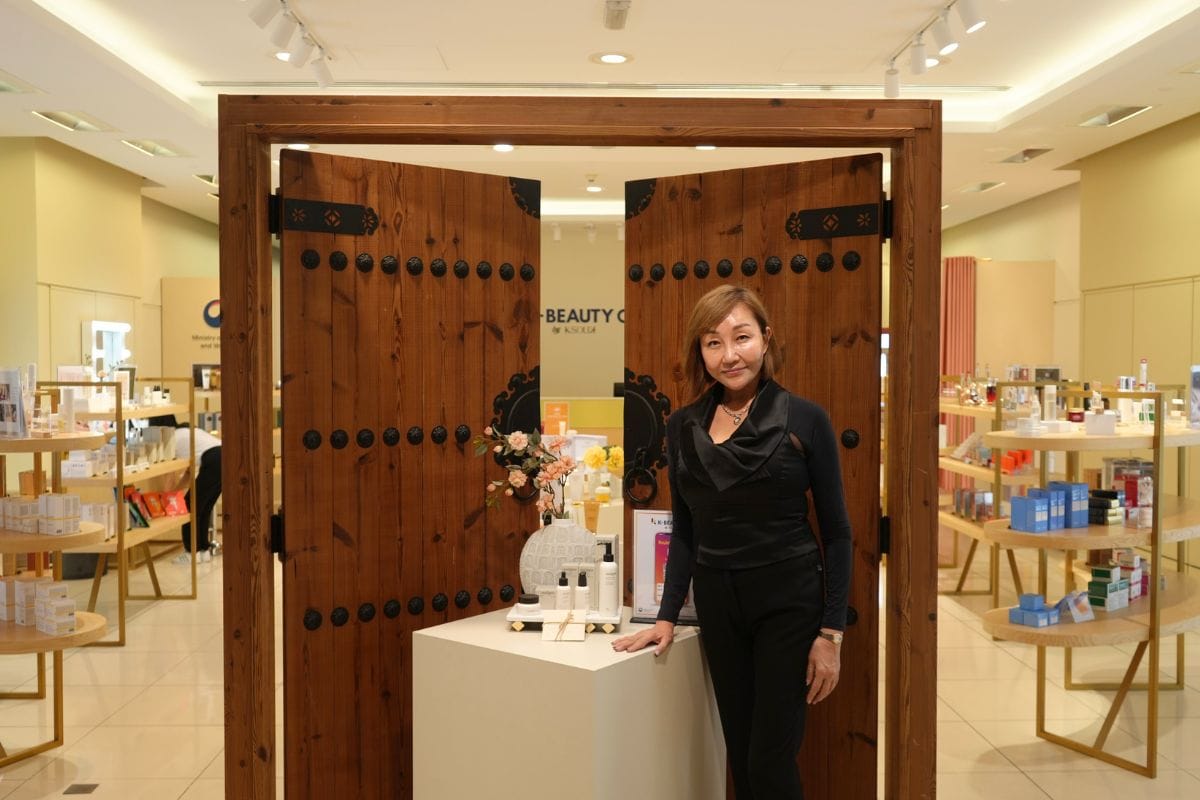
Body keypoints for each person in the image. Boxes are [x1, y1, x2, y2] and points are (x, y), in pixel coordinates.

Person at [612, 285, 851, 799]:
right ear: (700, 352)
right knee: (740, 755)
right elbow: (686, 530)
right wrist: (666, 616)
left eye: (741, 337)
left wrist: (830, 634)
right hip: (719, 603)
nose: (729, 355)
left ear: (765, 339)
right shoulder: (682, 426)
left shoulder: (804, 418)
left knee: (769, 760)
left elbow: (836, 532)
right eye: (713, 343)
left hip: (789, 601)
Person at [148, 415, 222, 562]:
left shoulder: (171, 440)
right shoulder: (186, 431)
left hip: (213, 460)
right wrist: (174, 495)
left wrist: (164, 500)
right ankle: (203, 550)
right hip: (224, 458)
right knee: (203, 507)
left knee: (190, 507)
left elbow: (170, 476)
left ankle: (191, 553)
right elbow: (188, 474)